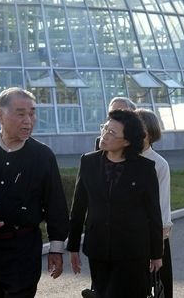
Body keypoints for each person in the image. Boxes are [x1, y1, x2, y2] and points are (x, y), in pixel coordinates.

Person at [0, 87, 70, 297]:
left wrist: (56, 248)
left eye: (32, 113)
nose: (28, 120)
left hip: (23, 249)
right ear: (0, 114)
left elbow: (56, 205)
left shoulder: (42, 156)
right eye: (20, 114)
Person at [68, 109, 163, 298]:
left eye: (112, 133)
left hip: (132, 250)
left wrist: (157, 253)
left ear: (127, 141)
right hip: (98, 248)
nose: (104, 135)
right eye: (105, 128)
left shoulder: (144, 169)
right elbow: (79, 206)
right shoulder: (88, 162)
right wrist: (73, 246)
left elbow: (153, 213)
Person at [136, 108, 173, 298]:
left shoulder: (159, 164)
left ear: (149, 133)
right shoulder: (120, 157)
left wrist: (158, 248)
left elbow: (162, 208)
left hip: (152, 240)